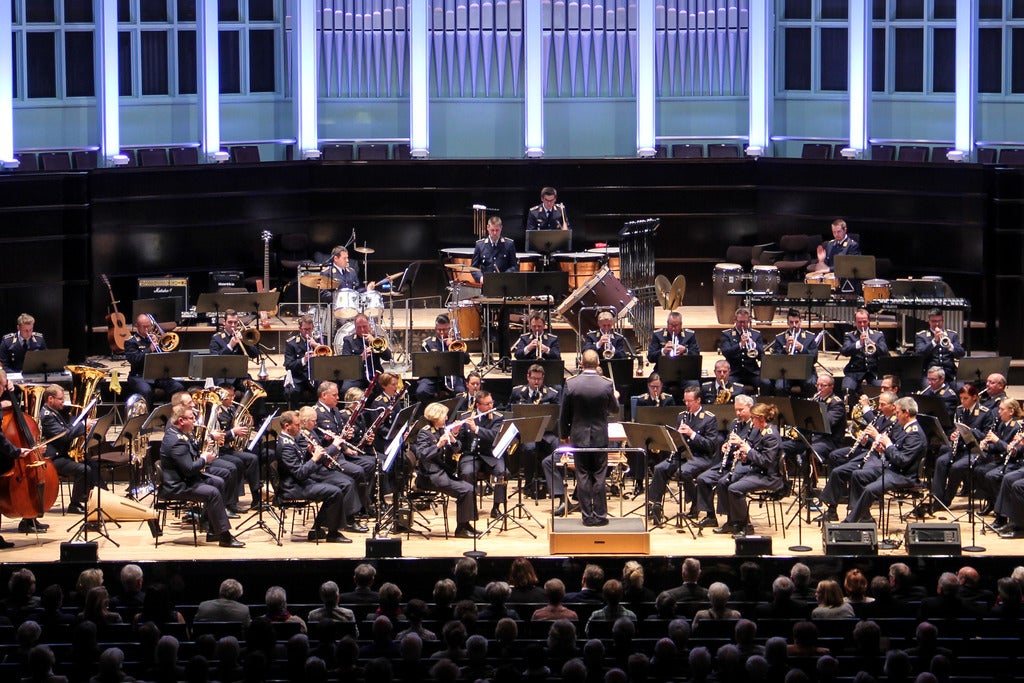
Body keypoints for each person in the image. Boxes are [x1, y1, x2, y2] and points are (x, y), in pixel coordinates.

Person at [158, 404, 244, 547]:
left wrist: (209, 440)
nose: (195, 421)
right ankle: (225, 537)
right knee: (213, 492)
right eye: (192, 418)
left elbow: (192, 449)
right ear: (181, 421)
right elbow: (189, 469)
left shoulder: (180, 434)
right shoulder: (176, 441)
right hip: (178, 486)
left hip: (186, 480)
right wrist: (204, 459)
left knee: (219, 482)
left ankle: (212, 530)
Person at [559, 349, 619, 526]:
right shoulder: (606, 384)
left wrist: (564, 435)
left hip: (579, 436)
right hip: (600, 437)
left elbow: (565, 413)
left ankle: (587, 516)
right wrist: (614, 397)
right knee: (599, 476)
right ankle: (600, 516)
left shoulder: (571, 383)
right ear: (598, 363)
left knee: (583, 475)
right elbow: (615, 410)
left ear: (581, 364)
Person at [276, 410, 356, 543]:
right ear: (287, 426)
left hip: (299, 482)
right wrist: (315, 458)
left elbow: (300, 463)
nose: (300, 427)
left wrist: (309, 453)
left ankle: (317, 529)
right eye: (297, 425)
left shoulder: (291, 440)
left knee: (337, 487)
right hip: (292, 487)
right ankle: (332, 533)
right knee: (335, 492)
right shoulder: (286, 445)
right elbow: (300, 473)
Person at [818, 391, 899, 522]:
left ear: (893, 406)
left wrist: (874, 436)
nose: (879, 407)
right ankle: (832, 510)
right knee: (837, 472)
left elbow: (891, 445)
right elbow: (874, 441)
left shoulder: (897, 422)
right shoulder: (881, 417)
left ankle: (863, 515)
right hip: (870, 453)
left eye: (883, 404)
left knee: (857, 474)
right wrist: (865, 440)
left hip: (881, 459)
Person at [843, 397, 926, 524]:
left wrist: (888, 445)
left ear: (906, 413)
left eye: (898, 413)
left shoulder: (914, 433)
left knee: (870, 489)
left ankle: (850, 522)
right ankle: (864, 517)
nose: (896, 416)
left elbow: (903, 460)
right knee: (857, 475)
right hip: (892, 468)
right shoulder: (906, 428)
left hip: (903, 475)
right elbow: (897, 452)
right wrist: (883, 450)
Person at [648, 386, 720, 525]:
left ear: (698, 400)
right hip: (682, 455)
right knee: (660, 468)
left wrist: (691, 434)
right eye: (685, 401)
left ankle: (695, 503)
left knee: (684, 472)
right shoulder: (682, 415)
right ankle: (655, 505)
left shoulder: (709, 419)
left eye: (690, 401)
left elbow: (710, 446)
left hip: (700, 457)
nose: (687, 404)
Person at [713, 402, 785, 535]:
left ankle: (745, 526)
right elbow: (758, 456)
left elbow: (767, 462)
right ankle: (732, 522)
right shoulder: (761, 431)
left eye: (753, 418)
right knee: (725, 482)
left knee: (734, 489)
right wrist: (744, 456)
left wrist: (749, 451)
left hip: (769, 477)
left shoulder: (771, 435)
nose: (751, 421)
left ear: (761, 418)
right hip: (758, 471)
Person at [412, 402, 481, 538]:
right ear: (436, 417)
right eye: (444, 415)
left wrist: (453, 439)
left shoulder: (442, 429)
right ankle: (461, 529)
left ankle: (466, 525)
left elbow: (458, 448)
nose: (447, 418)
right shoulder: (424, 433)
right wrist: (438, 445)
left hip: (443, 473)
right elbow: (422, 455)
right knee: (465, 490)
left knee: (470, 488)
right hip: (429, 476)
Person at [39, 384, 100, 523]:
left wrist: (83, 424)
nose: (63, 401)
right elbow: (64, 435)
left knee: (91, 463)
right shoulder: (47, 416)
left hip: (62, 454)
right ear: (50, 399)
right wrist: (83, 426)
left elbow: (67, 428)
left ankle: (94, 499)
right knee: (83, 469)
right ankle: (75, 504)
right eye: (60, 399)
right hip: (53, 458)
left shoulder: (55, 412)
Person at [929, 383, 995, 512]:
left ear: (975, 397)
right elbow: (954, 428)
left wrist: (970, 431)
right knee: (941, 461)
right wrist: (953, 435)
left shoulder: (985, 413)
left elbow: (987, 435)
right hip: (960, 448)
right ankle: (937, 499)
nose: (963, 401)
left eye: (966, 398)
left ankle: (946, 500)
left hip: (975, 451)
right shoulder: (959, 410)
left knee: (956, 467)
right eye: (961, 398)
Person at [695, 394, 755, 529]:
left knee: (725, 482)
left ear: (750, 408)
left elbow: (753, 448)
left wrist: (740, 445)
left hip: (744, 465)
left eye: (741, 410)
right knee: (702, 479)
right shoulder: (735, 423)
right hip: (728, 463)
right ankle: (710, 516)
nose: (738, 413)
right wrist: (724, 446)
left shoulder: (756, 425)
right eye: (736, 410)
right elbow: (729, 441)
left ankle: (733, 520)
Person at [511, 363, 561, 503]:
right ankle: (529, 484)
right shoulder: (517, 392)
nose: (536, 382)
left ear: (543, 378)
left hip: (547, 432)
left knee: (556, 446)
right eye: (533, 378)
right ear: (528, 377)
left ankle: (554, 487)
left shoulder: (552, 394)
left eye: (539, 379)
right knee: (529, 448)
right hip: (528, 431)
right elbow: (510, 411)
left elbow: (557, 416)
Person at [455, 390, 506, 518]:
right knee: (466, 473)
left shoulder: (497, 417)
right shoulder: (465, 417)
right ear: (478, 405)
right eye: (487, 404)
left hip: (490, 454)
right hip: (471, 455)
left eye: (491, 402)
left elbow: (495, 436)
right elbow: (460, 441)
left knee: (501, 471)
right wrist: (455, 432)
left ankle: (496, 507)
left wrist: (476, 429)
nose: (491, 406)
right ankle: (471, 508)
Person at [214, 385, 263, 510]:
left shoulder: (232, 409)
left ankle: (256, 498)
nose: (232, 398)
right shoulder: (216, 412)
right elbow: (218, 434)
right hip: (221, 450)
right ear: (221, 397)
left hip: (231, 448)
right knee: (237, 463)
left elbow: (237, 425)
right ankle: (231, 502)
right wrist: (234, 432)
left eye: (233, 395)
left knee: (253, 458)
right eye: (229, 396)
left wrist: (246, 424)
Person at [123, 314, 185, 405]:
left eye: (149, 326)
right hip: (139, 376)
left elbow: (162, 358)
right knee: (146, 391)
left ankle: (169, 413)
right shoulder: (131, 342)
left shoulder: (153, 338)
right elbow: (135, 360)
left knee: (178, 387)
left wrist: (159, 343)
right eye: (144, 327)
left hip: (156, 375)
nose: (147, 329)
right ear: (137, 326)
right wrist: (150, 349)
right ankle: (148, 417)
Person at [978, 398, 1024, 514]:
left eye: (1002, 409)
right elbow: (1001, 447)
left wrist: (997, 440)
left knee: (992, 476)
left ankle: (1001, 512)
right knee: (979, 470)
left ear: (1011, 411)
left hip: (1013, 462)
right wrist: (987, 447)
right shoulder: (1002, 424)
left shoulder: (1016, 426)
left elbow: (1012, 451)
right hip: (1003, 459)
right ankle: (992, 503)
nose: (998, 412)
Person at [414, 314, 469, 406]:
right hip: (432, 377)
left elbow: (466, 360)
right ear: (435, 328)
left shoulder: (457, 342)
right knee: (421, 391)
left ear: (449, 328)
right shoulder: (428, 343)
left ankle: (455, 416)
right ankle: (432, 413)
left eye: (445, 329)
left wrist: (452, 347)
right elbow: (424, 365)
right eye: (439, 330)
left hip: (453, 376)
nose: (442, 332)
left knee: (460, 393)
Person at [766, 309, 818, 396]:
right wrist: (785, 350)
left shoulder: (810, 337)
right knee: (779, 387)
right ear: (787, 323)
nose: (794, 325)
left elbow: (814, 358)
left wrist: (801, 348)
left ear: (801, 321)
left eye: (796, 322)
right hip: (786, 372)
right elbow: (775, 360)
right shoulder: (780, 338)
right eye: (791, 322)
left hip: (805, 371)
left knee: (811, 384)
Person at [839, 308, 888, 396]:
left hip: (874, 370)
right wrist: (859, 343)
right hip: (855, 370)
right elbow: (844, 351)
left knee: (882, 389)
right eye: (859, 322)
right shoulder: (849, 336)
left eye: (864, 322)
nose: (862, 325)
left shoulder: (878, 335)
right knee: (847, 389)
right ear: (855, 322)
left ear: (869, 321)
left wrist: (872, 343)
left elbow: (885, 352)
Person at [340, 314, 393, 392]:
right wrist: (361, 358)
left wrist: (374, 342)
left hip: (375, 374)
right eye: (359, 327)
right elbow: (346, 362)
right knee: (345, 389)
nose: (362, 330)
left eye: (364, 326)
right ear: (355, 327)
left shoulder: (377, 339)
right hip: (357, 375)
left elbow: (388, 357)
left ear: (369, 325)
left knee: (386, 387)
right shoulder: (348, 340)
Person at [719, 308, 765, 393]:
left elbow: (762, 355)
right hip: (734, 372)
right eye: (740, 322)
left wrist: (754, 345)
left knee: (766, 383)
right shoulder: (727, 334)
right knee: (728, 386)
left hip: (752, 372)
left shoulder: (756, 334)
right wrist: (740, 344)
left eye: (745, 322)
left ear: (749, 321)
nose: (743, 324)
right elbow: (726, 352)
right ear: (735, 320)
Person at [914, 309, 965, 383]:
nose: (937, 324)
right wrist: (934, 341)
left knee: (962, 389)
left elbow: (961, 354)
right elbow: (919, 353)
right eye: (934, 321)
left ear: (943, 320)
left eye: (939, 321)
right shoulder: (921, 336)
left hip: (949, 374)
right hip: (930, 375)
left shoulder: (952, 335)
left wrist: (951, 346)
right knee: (929, 392)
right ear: (929, 321)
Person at [282, 315, 321, 403]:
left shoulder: (318, 341)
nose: (308, 332)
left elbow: (328, 358)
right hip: (298, 376)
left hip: (316, 376)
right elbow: (288, 365)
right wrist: (304, 360)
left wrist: (316, 346)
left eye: (310, 329)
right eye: (305, 329)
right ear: (300, 328)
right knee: (291, 392)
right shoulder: (292, 343)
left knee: (326, 389)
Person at [471, 215, 518, 280]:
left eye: (497, 230)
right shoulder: (480, 245)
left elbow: (514, 266)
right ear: (487, 228)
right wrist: (480, 277)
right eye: (492, 230)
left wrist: (505, 276)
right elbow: (474, 268)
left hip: (503, 282)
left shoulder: (509, 244)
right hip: (486, 282)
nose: (495, 233)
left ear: (501, 228)